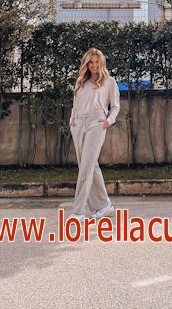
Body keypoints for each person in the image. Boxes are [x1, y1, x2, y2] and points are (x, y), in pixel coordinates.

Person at [68, 47, 120, 221]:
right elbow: (75, 104)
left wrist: (108, 121)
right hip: (78, 124)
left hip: (96, 123)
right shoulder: (80, 81)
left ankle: (78, 212)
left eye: (97, 62)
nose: (94, 65)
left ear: (102, 62)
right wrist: (72, 120)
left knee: (86, 168)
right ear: (86, 63)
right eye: (91, 62)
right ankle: (105, 206)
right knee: (90, 166)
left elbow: (115, 106)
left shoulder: (109, 81)